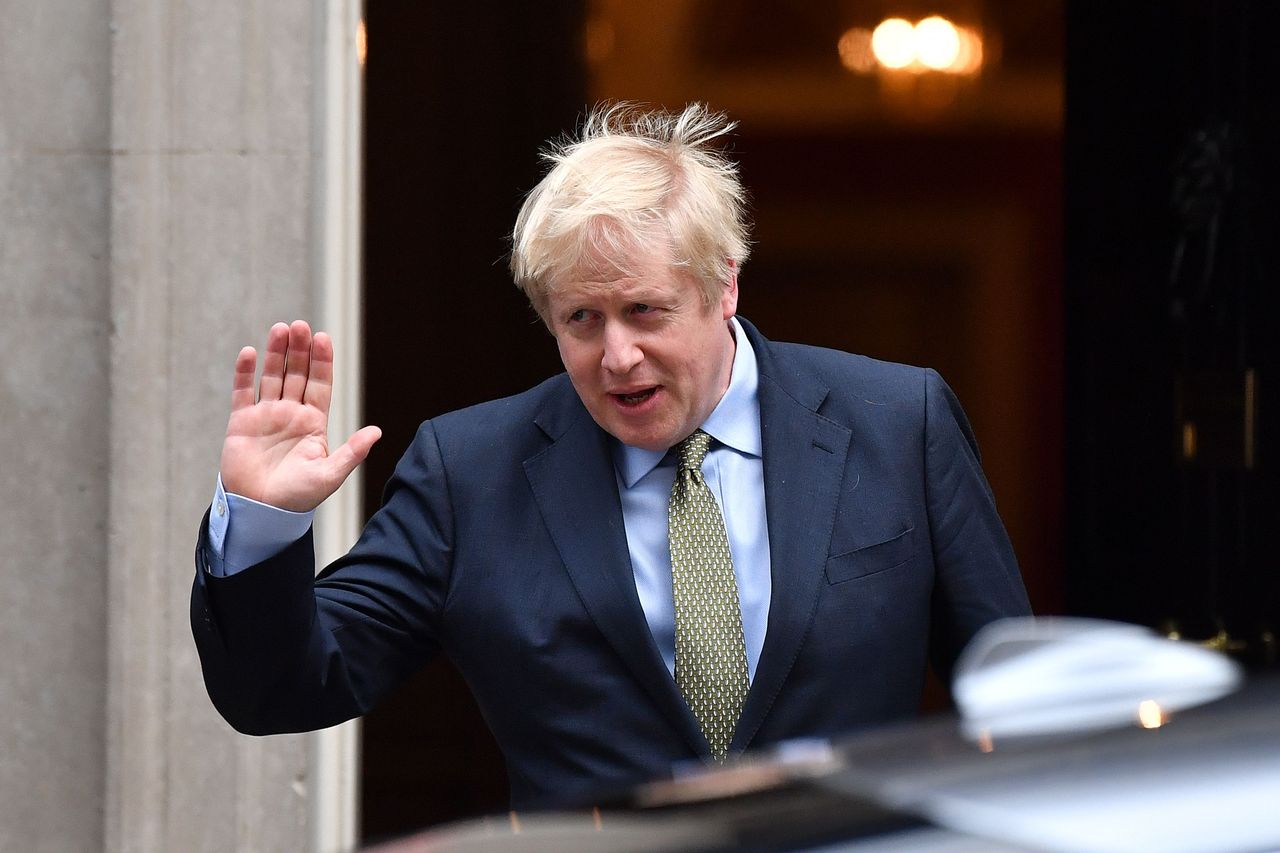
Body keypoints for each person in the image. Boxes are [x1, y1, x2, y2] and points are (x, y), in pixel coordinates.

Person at [192, 103, 1030, 809]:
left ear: (725, 285)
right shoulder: (471, 471)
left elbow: (1013, 699)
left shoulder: (896, 423)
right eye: (581, 320)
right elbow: (284, 689)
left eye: (645, 310)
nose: (616, 355)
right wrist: (265, 520)